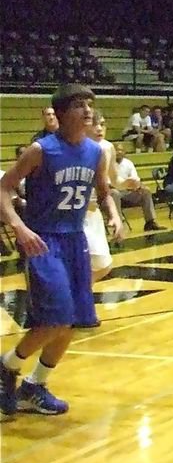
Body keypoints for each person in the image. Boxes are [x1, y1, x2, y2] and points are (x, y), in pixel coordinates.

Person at [0, 84, 122, 415]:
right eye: (80, 105)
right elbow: (4, 189)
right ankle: (7, 365)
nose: (88, 111)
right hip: (43, 239)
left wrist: (113, 214)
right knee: (57, 317)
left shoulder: (95, 152)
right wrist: (19, 227)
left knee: (73, 321)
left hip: (75, 240)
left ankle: (34, 387)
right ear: (63, 112)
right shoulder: (41, 150)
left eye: (91, 105)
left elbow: (103, 189)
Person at [82, 113, 119, 283]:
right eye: (95, 124)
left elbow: (114, 181)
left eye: (102, 124)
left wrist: (130, 183)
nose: (99, 128)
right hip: (73, 214)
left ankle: (76, 294)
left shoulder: (106, 148)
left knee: (104, 265)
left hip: (93, 212)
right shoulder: (74, 147)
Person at [112, 143, 165, 232]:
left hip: (128, 191)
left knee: (146, 191)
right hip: (114, 191)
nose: (119, 152)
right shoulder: (107, 163)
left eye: (121, 150)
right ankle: (118, 224)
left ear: (124, 152)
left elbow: (135, 178)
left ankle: (150, 222)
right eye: (116, 150)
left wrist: (137, 185)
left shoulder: (128, 163)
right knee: (114, 193)